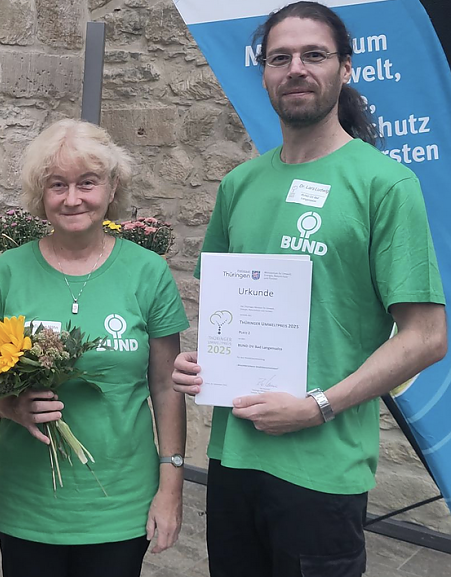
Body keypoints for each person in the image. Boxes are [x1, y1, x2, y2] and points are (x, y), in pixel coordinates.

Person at [171, 3, 447, 577]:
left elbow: (427, 337)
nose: (296, 68)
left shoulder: (385, 183)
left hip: (323, 468)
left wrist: (317, 407)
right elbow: (229, 311)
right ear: (265, 73)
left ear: (345, 68)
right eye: (280, 57)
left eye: (314, 55)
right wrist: (202, 365)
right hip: (232, 457)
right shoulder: (238, 184)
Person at [0, 119, 190, 577]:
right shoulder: (8, 272)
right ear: (41, 194)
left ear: (112, 187)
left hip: (119, 502)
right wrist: (14, 407)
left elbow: (166, 385)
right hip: (28, 502)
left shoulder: (147, 271)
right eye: (58, 185)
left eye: (87, 183)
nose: (72, 199)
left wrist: (170, 483)